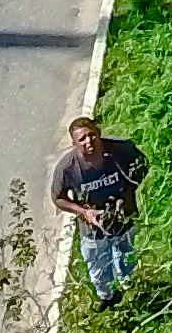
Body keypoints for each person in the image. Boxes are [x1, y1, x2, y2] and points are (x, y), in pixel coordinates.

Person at [50, 115, 147, 301]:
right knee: (99, 269)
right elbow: (58, 198)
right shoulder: (67, 168)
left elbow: (142, 165)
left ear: (98, 133)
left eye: (91, 135)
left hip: (124, 219)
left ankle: (132, 290)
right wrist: (84, 212)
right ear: (74, 144)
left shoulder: (121, 150)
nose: (89, 141)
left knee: (126, 257)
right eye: (82, 139)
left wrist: (127, 194)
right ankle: (108, 299)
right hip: (93, 230)